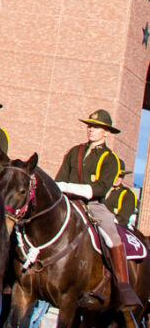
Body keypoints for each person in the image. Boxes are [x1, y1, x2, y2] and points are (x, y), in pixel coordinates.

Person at [55, 109, 140, 312]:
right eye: (90, 126)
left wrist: (69, 187)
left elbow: (101, 188)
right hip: (67, 200)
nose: (91, 129)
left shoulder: (111, 159)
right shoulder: (74, 151)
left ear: (107, 133)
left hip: (93, 204)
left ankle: (123, 285)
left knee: (112, 236)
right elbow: (59, 178)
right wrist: (62, 189)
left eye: (97, 127)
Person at [105, 163, 139, 230]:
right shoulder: (101, 190)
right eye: (115, 175)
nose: (117, 178)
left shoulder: (127, 194)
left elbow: (123, 219)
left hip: (116, 228)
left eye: (120, 176)